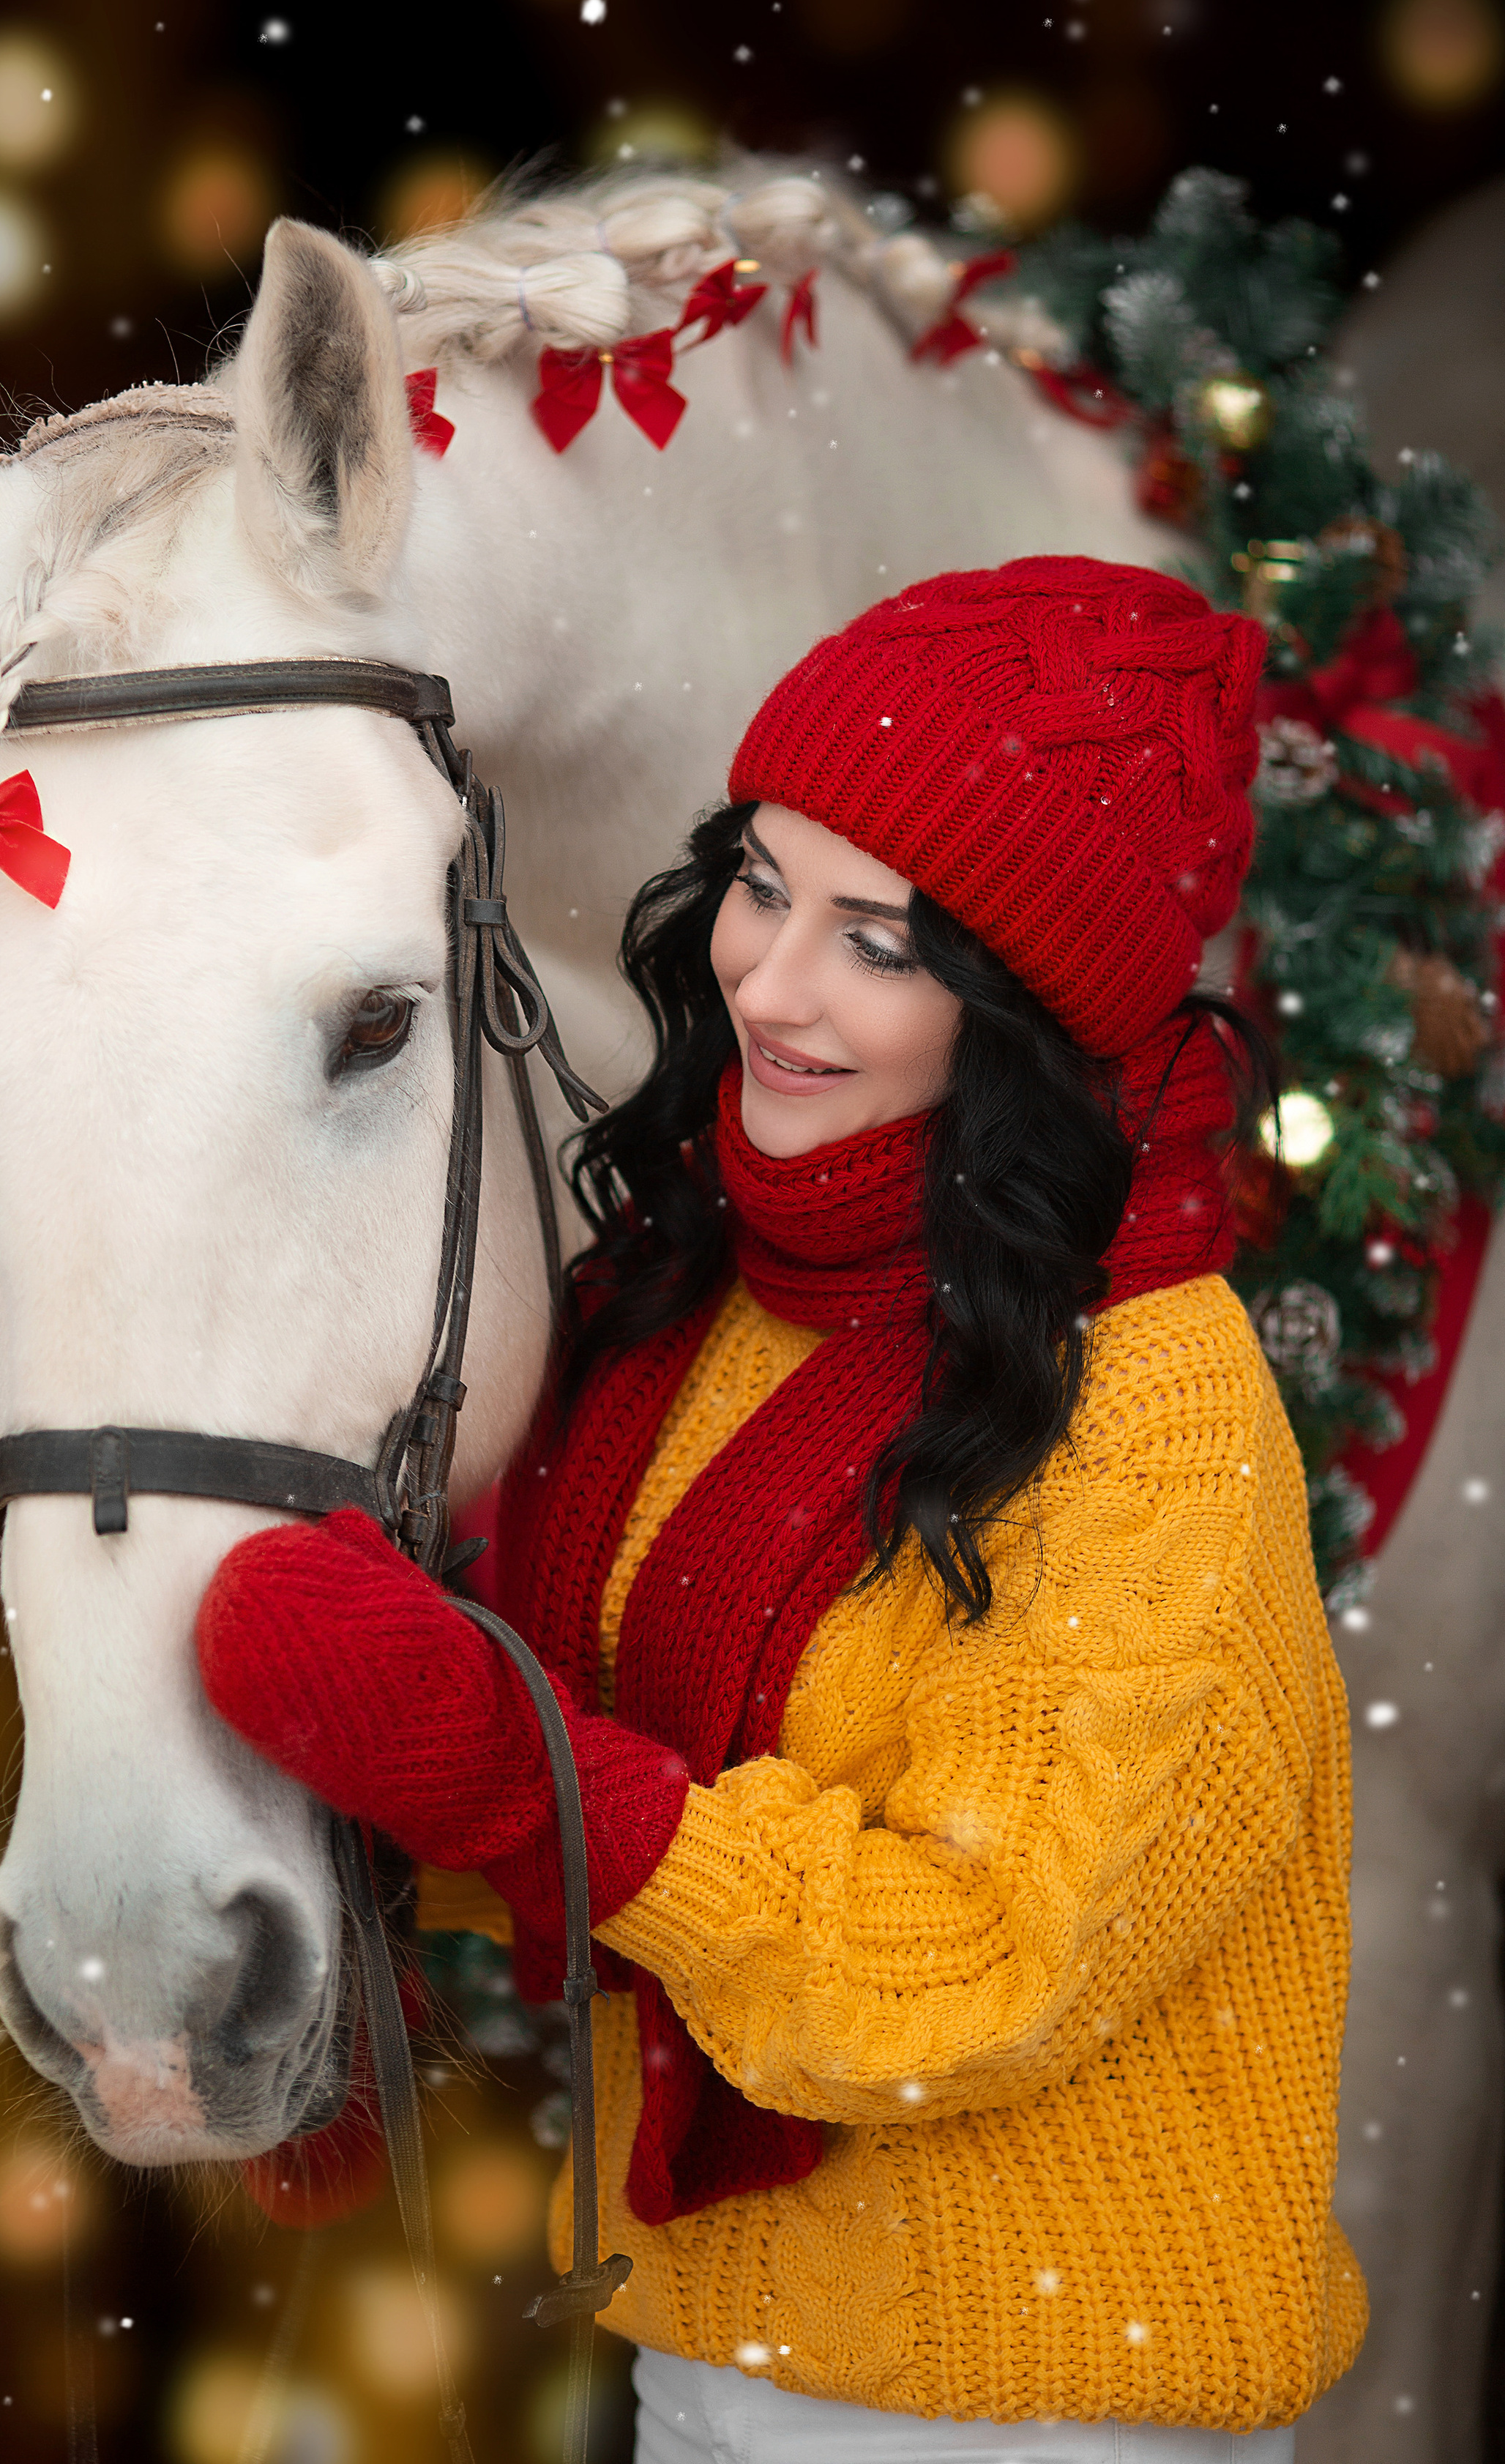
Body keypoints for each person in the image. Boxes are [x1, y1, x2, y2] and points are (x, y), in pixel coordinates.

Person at [197, 556, 1369, 2462]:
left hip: (1037, 2410)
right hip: (725, 2358)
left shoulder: (1151, 1404)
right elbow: (654, 1761)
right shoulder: (716, 1289)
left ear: (1025, 1008)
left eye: (879, 942)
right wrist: (370, 1865)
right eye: (759, 885)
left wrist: (529, 1782)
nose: (770, 980)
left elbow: (988, 1967)